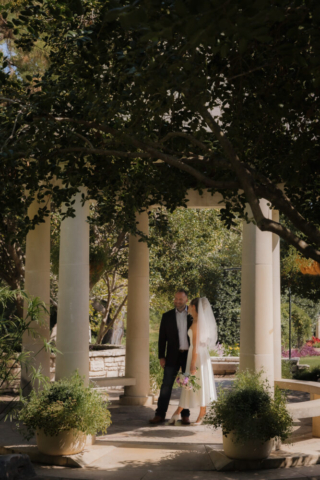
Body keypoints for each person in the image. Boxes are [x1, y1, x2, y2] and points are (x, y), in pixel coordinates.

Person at [168, 297, 217, 425]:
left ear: (194, 307)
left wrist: (192, 364)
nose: (187, 307)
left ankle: (201, 413)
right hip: (197, 355)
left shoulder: (196, 324)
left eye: (189, 305)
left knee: (197, 384)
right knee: (190, 385)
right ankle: (177, 413)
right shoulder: (196, 321)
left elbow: (196, 346)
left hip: (197, 356)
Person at [149, 289, 193, 425]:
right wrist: (161, 356)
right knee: (166, 386)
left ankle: (185, 415)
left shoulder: (193, 316)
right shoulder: (166, 316)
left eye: (180, 299)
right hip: (172, 356)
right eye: (176, 299)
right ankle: (160, 414)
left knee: (188, 386)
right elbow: (162, 338)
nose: (177, 301)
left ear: (186, 300)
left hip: (188, 356)